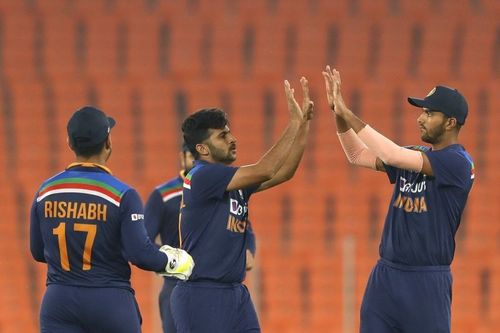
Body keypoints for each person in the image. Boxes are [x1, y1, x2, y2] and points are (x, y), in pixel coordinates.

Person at [322, 66, 474, 333]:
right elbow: (356, 156)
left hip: (426, 282)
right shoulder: (414, 154)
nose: (420, 119)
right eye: (422, 112)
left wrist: (349, 113)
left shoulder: (458, 163)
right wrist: (339, 115)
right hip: (386, 277)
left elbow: (392, 155)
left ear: (451, 122)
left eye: (429, 113)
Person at [30, 106, 194, 333]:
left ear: (69, 142)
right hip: (110, 301)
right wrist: (175, 262)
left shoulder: (45, 190)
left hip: (59, 300)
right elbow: (139, 253)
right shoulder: (123, 194)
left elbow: (38, 251)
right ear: (108, 142)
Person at [170, 78, 314, 332]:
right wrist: (292, 124)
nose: (233, 139)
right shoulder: (202, 175)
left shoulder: (231, 181)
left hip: (235, 293)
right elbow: (266, 169)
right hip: (202, 294)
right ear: (202, 148)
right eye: (223, 136)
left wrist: (303, 126)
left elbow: (284, 172)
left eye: (230, 132)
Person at [144, 143, 260, 333]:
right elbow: (144, 240)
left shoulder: (225, 189)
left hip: (215, 283)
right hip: (177, 284)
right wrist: (172, 260)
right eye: (191, 156)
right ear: (182, 157)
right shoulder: (163, 195)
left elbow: (244, 225)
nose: (195, 160)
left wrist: (249, 250)